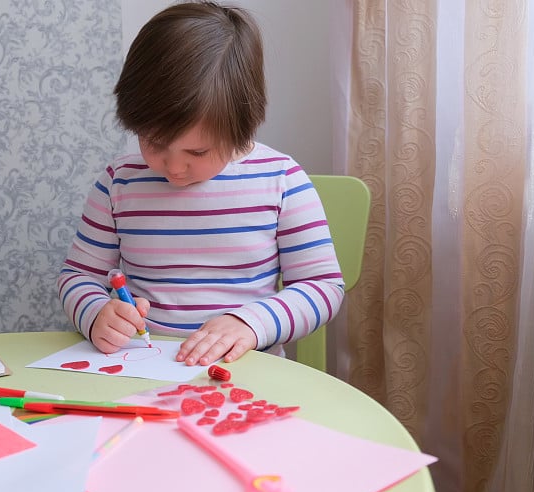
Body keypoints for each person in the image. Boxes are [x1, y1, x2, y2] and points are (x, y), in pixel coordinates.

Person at [57, 1, 343, 366]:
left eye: (197, 151)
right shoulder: (119, 184)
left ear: (243, 125)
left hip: (245, 372)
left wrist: (249, 323)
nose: (174, 167)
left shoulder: (282, 181)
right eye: (154, 143)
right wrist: (97, 313)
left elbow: (322, 287)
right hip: (143, 369)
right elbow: (78, 275)